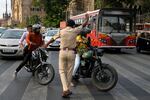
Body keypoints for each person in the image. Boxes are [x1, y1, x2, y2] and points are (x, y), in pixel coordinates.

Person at [44, 13, 89, 98]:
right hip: (72, 53)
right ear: (72, 25)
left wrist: (46, 44)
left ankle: (65, 89)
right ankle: (66, 89)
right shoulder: (75, 30)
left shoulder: (61, 31)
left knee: (62, 71)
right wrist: (87, 18)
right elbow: (84, 24)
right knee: (69, 72)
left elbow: (53, 38)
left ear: (66, 25)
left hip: (62, 52)